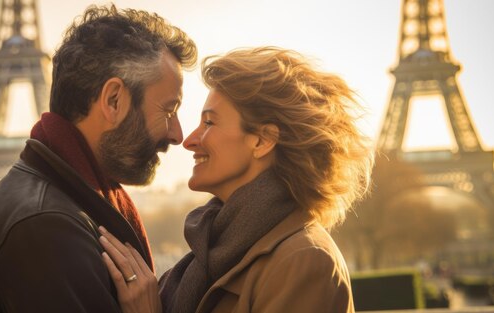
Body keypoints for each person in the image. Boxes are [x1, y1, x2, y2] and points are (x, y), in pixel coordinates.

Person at [0, 4, 196, 312]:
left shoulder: (49, 208)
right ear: (114, 100)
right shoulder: (47, 230)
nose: (177, 135)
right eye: (168, 110)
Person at [98, 47, 374, 313]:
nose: (189, 140)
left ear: (263, 140)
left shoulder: (304, 261)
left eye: (209, 123)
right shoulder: (220, 248)